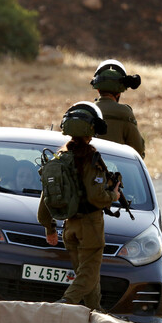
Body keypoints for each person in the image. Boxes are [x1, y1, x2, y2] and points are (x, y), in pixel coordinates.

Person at [38, 102, 121, 310]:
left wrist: (49, 228)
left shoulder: (59, 159)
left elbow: (45, 199)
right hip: (90, 227)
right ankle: (66, 303)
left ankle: (95, 312)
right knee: (89, 273)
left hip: (70, 227)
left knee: (86, 275)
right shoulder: (91, 160)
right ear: (90, 130)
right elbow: (96, 197)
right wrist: (113, 195)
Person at [90, 59, 145, 158]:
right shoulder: (124, 113)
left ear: (98, 89)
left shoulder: (89, 110)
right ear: (119, 92)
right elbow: (138, 150)